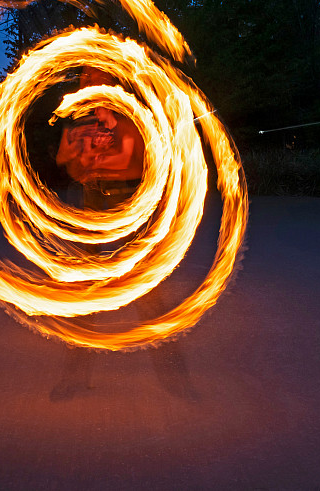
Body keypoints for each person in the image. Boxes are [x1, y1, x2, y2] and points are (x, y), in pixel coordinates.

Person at [49, 66, 196, 402]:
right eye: (83, 78)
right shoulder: (81, 122)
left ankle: (176, 381)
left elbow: (130, 161)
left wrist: (91, 157)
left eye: (93, 77)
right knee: (87, 293)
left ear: (111, 80)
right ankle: (74, 378)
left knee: (148, 293)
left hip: (127, 202)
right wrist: (84, 150)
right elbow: (62, 156)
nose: (85, 83)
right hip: (92, 204)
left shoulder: (132, 116)